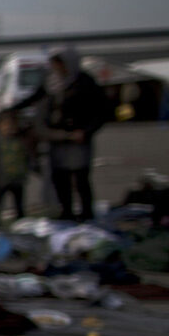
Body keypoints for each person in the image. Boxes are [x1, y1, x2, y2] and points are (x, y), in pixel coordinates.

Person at [36, 48, 108, 221]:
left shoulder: (84, 82)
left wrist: (86, 131)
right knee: (60, 178)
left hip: (78, 138)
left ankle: (85, 213)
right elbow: (37, 99)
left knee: (80, 178)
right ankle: (66, 210)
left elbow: (101, 111)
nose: (57, 68)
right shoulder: (50, 82)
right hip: (57, 137)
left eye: (60, 64)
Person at [0, 110, 31, 222]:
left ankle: (21, 224)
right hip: (1, 179)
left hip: (17, 178)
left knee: (19, 205)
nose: (9, 128)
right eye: (6, 125)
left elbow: (26, 157)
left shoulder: (20, 140)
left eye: (12, 125)